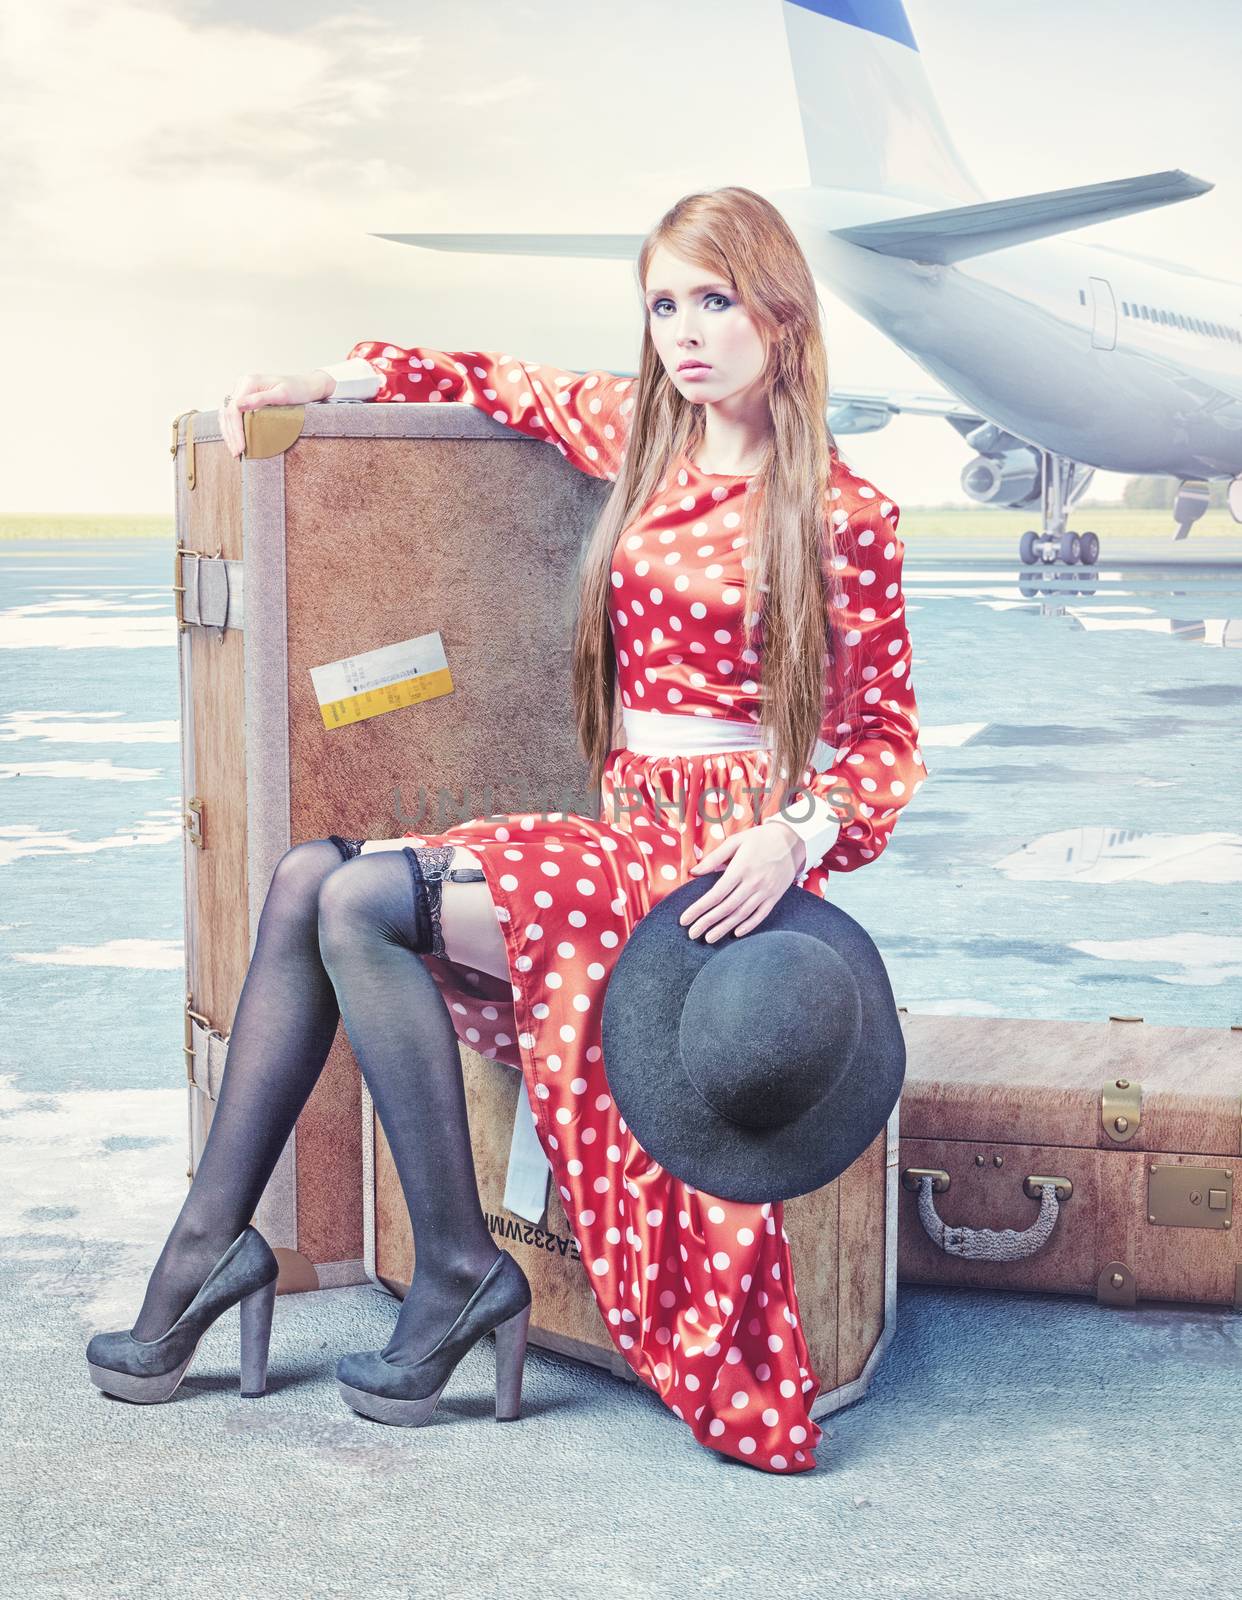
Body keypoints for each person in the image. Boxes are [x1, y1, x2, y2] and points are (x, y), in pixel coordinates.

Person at [88, 185, 928, 1473]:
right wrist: (337, 380)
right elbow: (497, 381)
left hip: (711, 870)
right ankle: (222, 1238)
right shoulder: (642, 439)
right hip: (623, 824)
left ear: (781, 314)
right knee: (315, 872)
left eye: (715, 300)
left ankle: (455, 1272)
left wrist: (797, 839)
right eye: (663, 305)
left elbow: (886, 744)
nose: (686, 334)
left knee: (361, 900)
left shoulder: (843, 516)